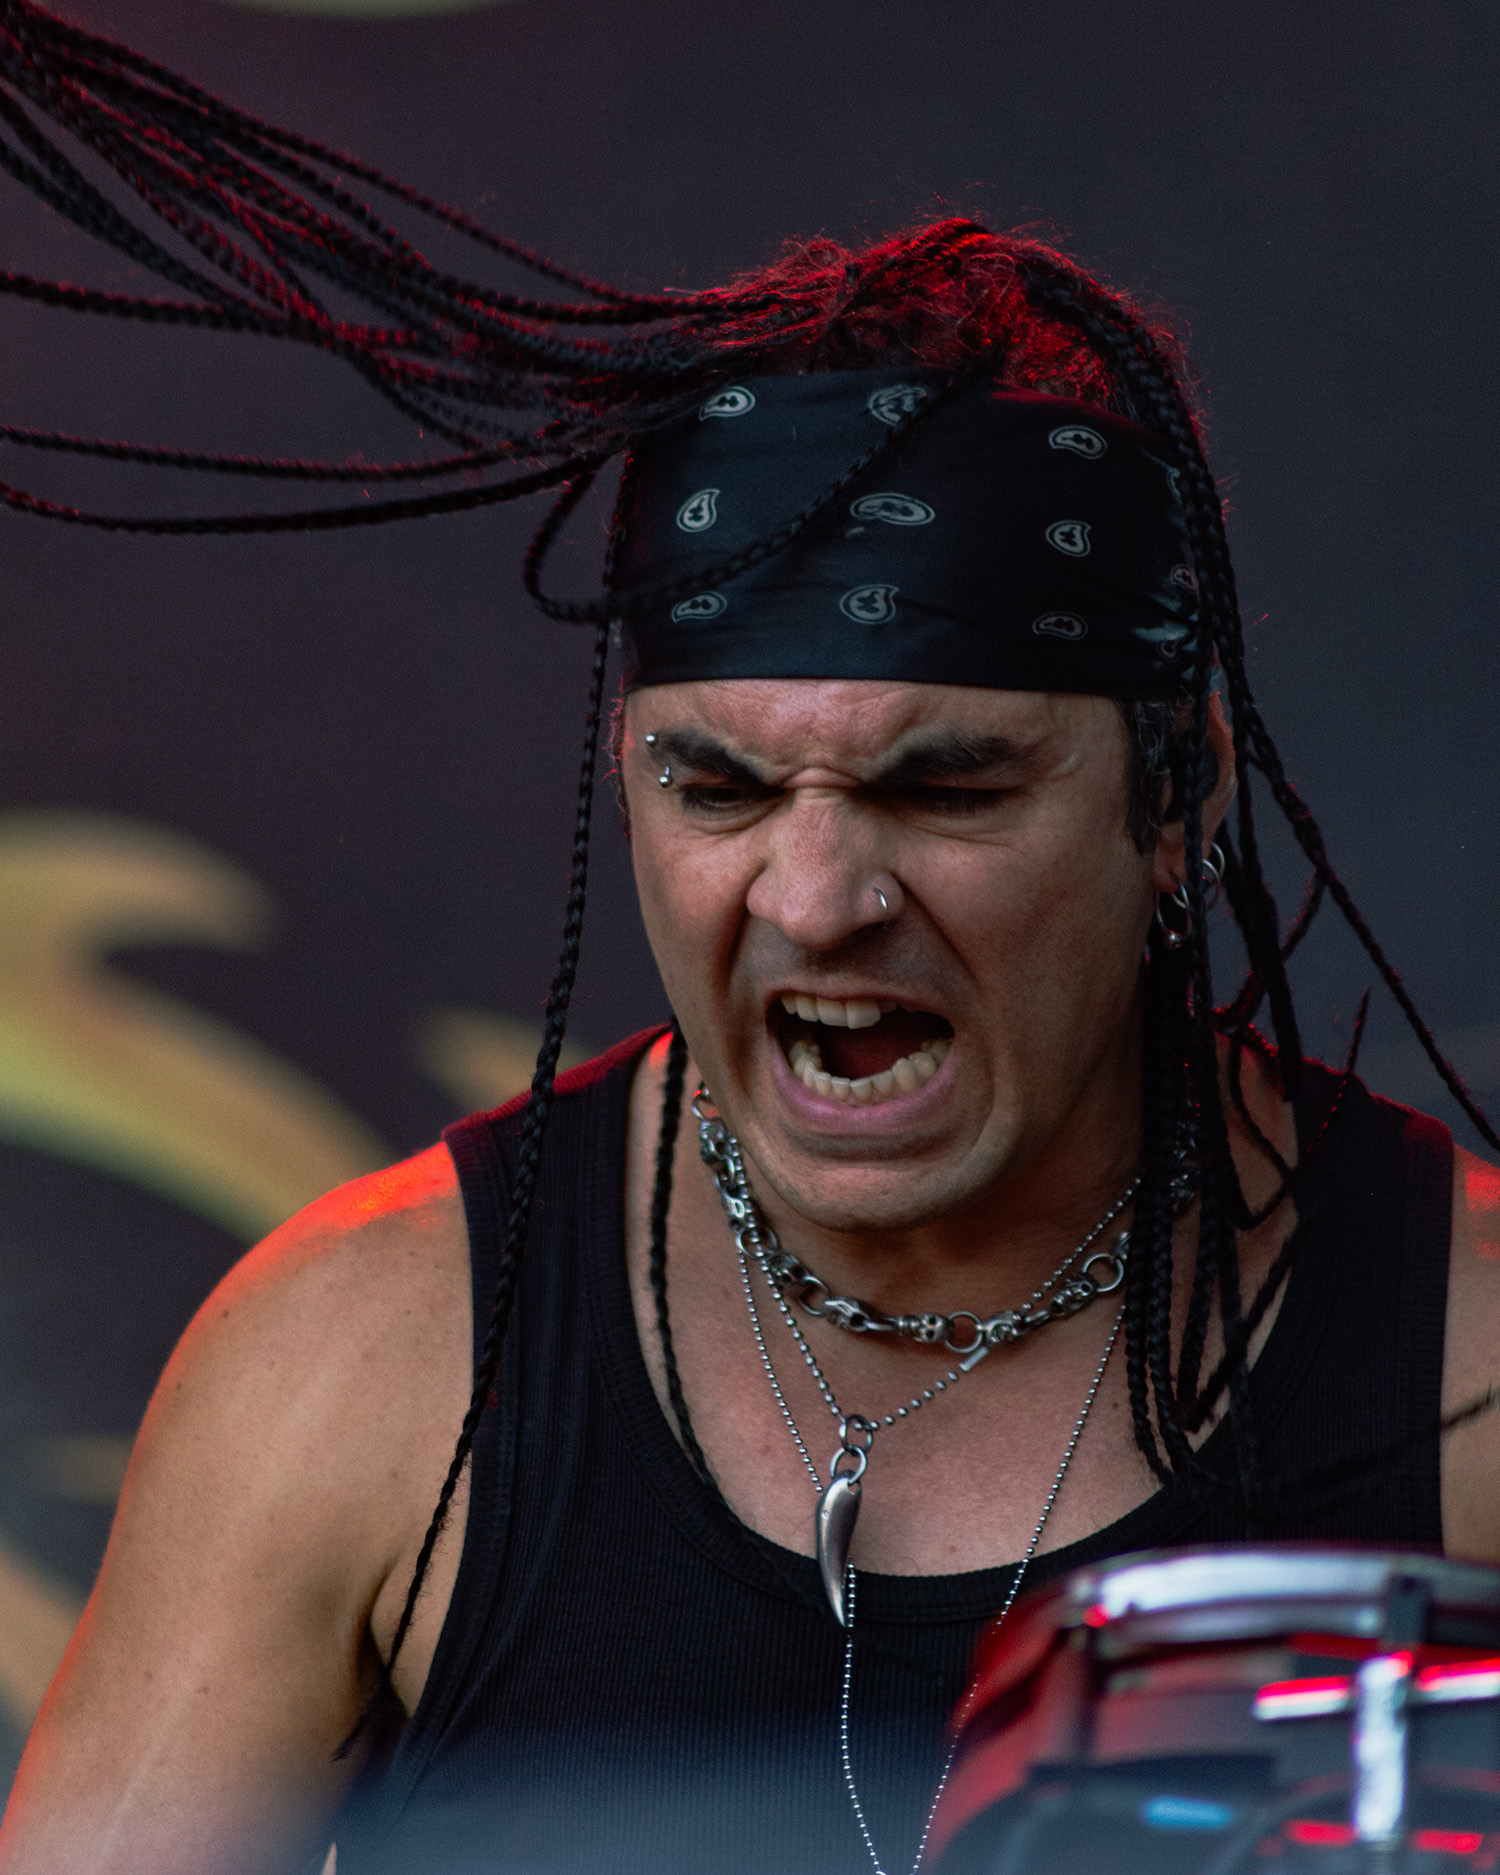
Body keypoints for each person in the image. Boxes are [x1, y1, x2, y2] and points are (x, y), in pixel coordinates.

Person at [1, 9, 1499, 1873]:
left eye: (945, 789)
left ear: (1176, 791)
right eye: (716, 789)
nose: (813, 897)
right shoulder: (364, 1359)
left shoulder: (1467, 1356)